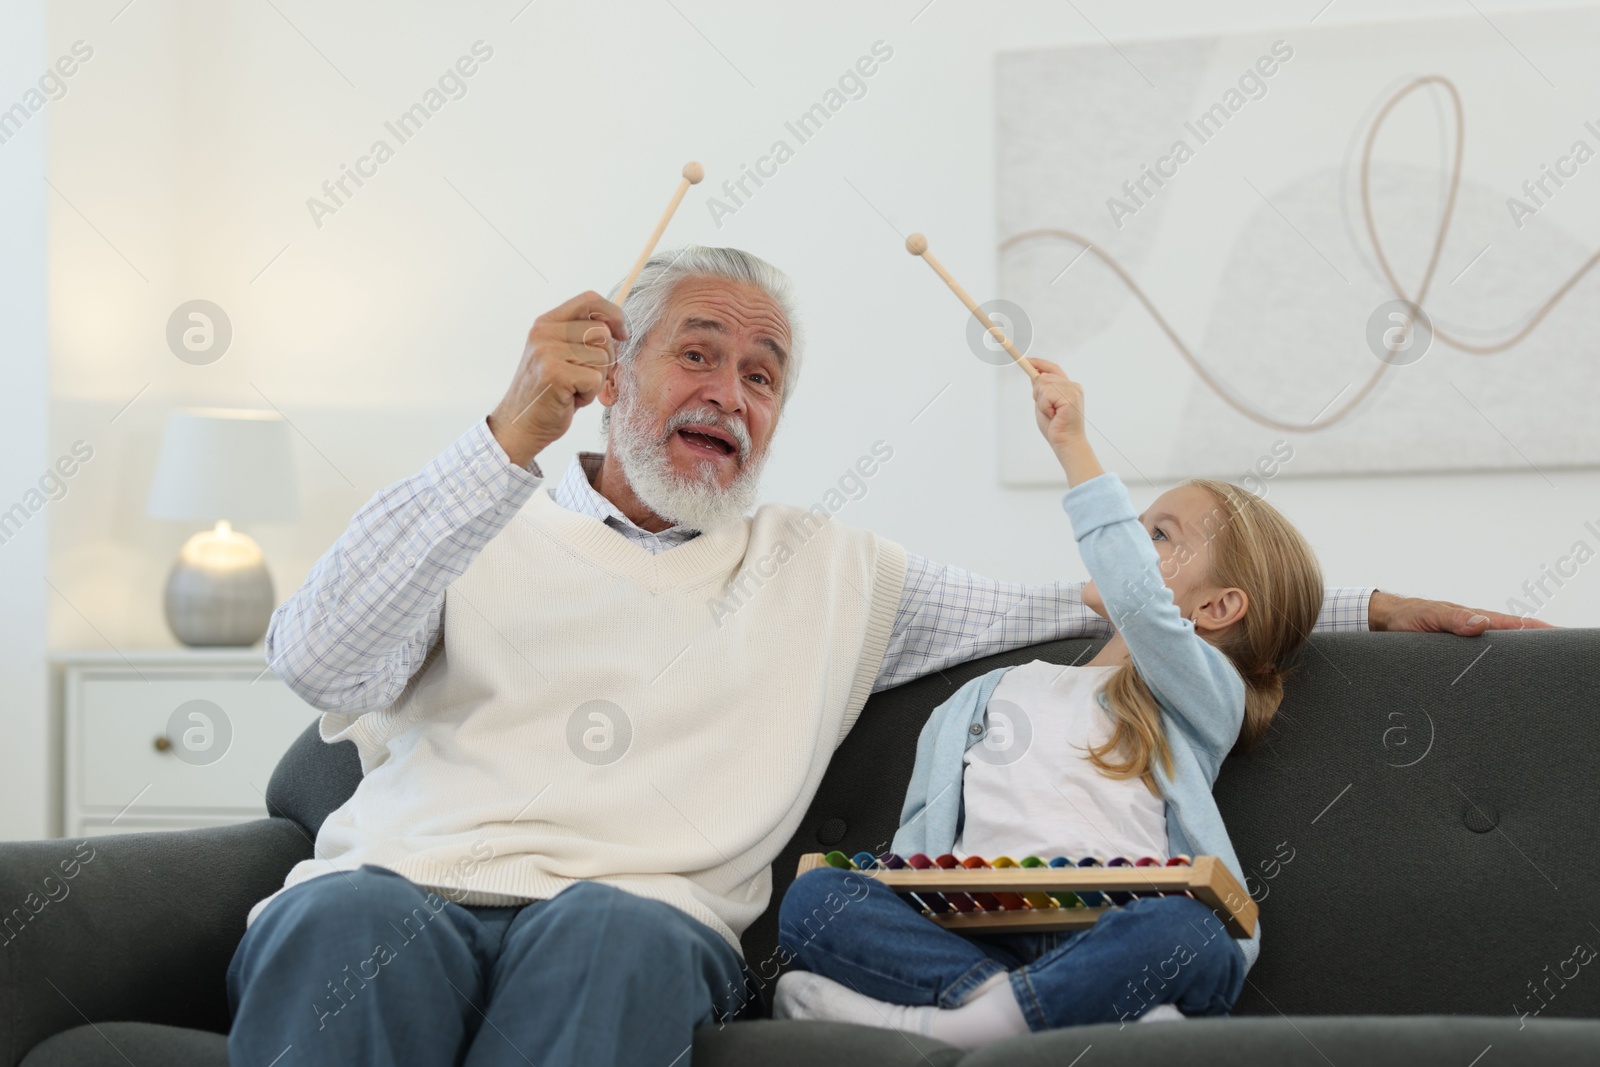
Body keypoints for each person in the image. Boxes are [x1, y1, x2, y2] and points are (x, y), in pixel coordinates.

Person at [226, 247, 1538, 1067]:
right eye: (699, 352)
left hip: (640, 916)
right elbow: (319, 658)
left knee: (617, 934)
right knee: (349, 914)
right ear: (605, 373)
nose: (732, 391)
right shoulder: (478, 510)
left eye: (764, 374)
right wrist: (505, 432)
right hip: (405, 878)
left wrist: (1365, 602)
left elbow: (1092, 599)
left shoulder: (838, 571)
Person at [773, 357, 1325, 1046]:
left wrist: (1074, 446)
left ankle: (943, 1025)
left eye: (1154, 535)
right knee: (814, 901)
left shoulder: (1202, 694)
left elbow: (1144, 607)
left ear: (1215, 607)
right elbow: (922, 841)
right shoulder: (992, 690)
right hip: (979, 934)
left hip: (1116, 926)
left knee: (1189, 930)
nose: (1122, 546)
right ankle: (1033, 1009)